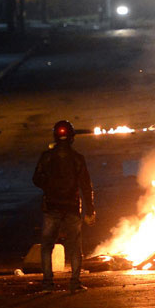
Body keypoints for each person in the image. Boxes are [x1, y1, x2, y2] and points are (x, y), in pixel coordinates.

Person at [33, 120, 95, 293]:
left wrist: (50, 186)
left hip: (51, 207)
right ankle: (74, 283)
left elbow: (36, 179)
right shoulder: (78, 159)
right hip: (72, 208)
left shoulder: (46, 157)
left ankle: (47, 284)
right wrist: (90, 211)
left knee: (46, 246)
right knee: (74, 247)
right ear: (72, 138)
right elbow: (86, 186)